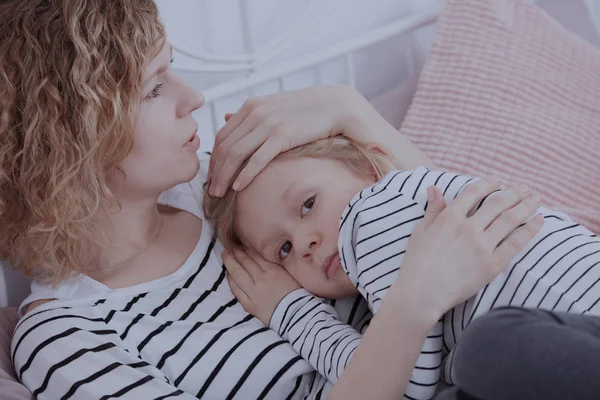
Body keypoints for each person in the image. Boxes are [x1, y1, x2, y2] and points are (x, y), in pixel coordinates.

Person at [1, 1, 542, 399]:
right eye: (156, 87)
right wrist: (413, 303)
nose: (195, 98)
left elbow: (441, 221)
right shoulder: (67, 338)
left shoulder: (227, 185)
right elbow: (430, 273)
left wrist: (351, 111)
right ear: (71, 141)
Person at [204, 136, 600, 399]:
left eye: (308, 204)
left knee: (484, 351)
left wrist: (295, 315)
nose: (305, 243)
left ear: (364, 164)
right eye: (284, 248)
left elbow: (407, 385)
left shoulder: (372, 216)